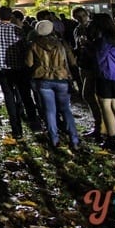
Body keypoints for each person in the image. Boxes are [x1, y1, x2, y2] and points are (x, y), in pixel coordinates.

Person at [0, 6, 41, 139]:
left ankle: (17, 130)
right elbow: (24, 49)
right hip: (19, 68)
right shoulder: (17, 30)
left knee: (9, 98)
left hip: (2, 68)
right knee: (26, 95)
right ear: (11, 16)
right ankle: (35, 124)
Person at [25, 20, 80, 150]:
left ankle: (54, 139)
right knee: (65, 109)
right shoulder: (61, 44)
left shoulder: (34, 45)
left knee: (49, 111)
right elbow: (72, 61)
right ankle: (74, 139)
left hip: (43, 79)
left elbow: (29, 63)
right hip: (62, 78)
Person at [89, 13, 115, 151]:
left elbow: (99, 58)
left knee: (106, 106)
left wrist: (88, 47)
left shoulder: (103, 40)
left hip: (106, 74)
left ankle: (111, 138)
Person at [72, 6, 105, 143]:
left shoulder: (95, 28)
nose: (81, 19)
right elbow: (77, 46)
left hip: (94, 65)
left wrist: (87, 44)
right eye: (77, 17)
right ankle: (99, 124)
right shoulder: (77, 29)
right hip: (83, 63)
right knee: (88, 95)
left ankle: (100, 125)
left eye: (82, 16)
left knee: (90, 94)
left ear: (87, 15)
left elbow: (100, 47)